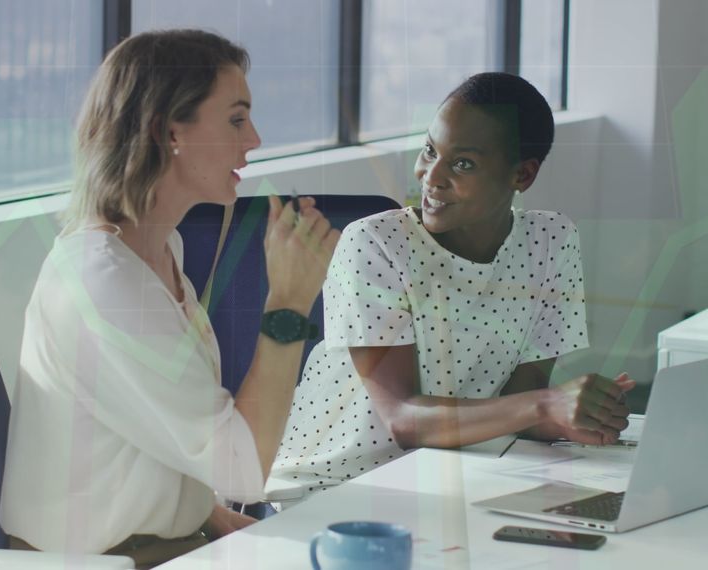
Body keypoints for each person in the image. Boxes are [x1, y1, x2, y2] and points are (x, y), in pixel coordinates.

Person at [0, 29, 339, 566]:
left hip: (166, 547)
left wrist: (206, 515)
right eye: (235, 119)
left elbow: (150, 425)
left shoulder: (157, 252)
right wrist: (290, 305)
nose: (253, 138)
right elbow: (242, 469)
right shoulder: (103, 281)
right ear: (168, 131)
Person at [268, 72, 635, 499]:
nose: (431, 177)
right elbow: (402, 420)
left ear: (523, 175)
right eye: (429, 151)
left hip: (457, 475)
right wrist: (546, 404)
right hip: (334, 487)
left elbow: (519, 404)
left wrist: (580, 414)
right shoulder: (375, 244)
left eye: (463, 163)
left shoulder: (551, 242)